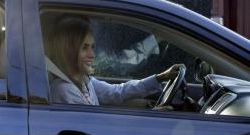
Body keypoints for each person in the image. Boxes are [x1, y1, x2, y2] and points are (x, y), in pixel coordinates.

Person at [45, 16, 182, 106]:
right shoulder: (64, 91)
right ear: (69, 51)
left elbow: (117, 92)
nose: (92, 54)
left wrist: (160, 77)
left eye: (92, 47)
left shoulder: (85, 81)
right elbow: (94, 127)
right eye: (84, 48)